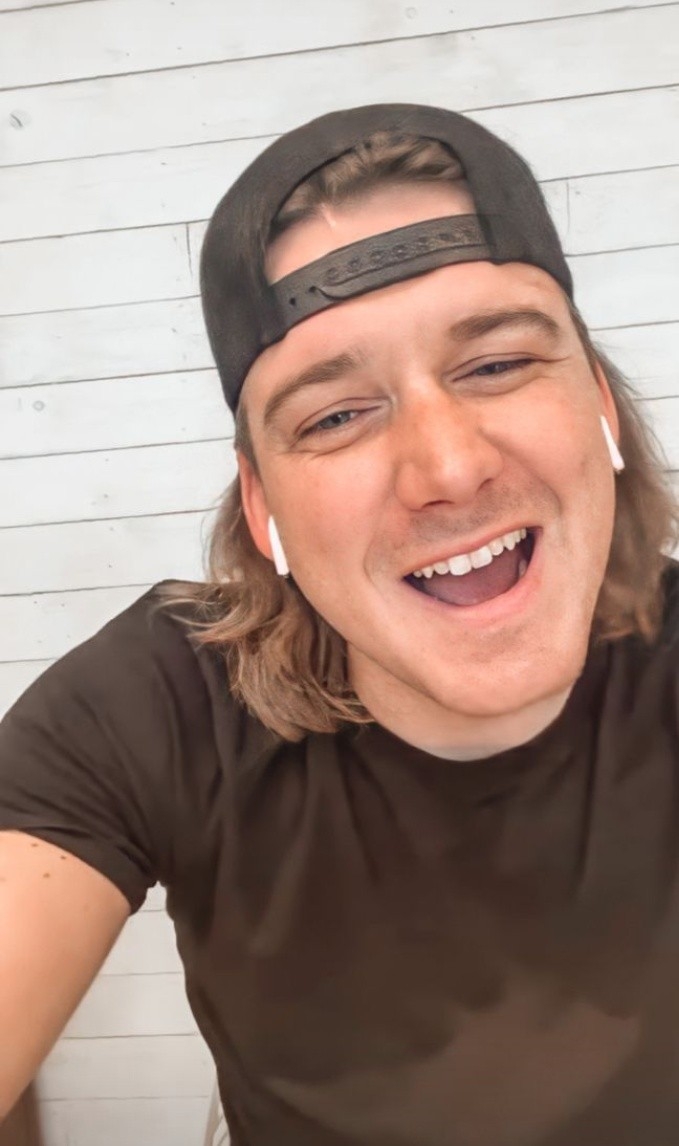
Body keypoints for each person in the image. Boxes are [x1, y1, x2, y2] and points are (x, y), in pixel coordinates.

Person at [1, 101, 679, 1146]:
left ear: (597, 405)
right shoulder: (154, 708)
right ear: (262, 508)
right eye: (334, 416)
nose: (448, 466)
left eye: (495, 363)